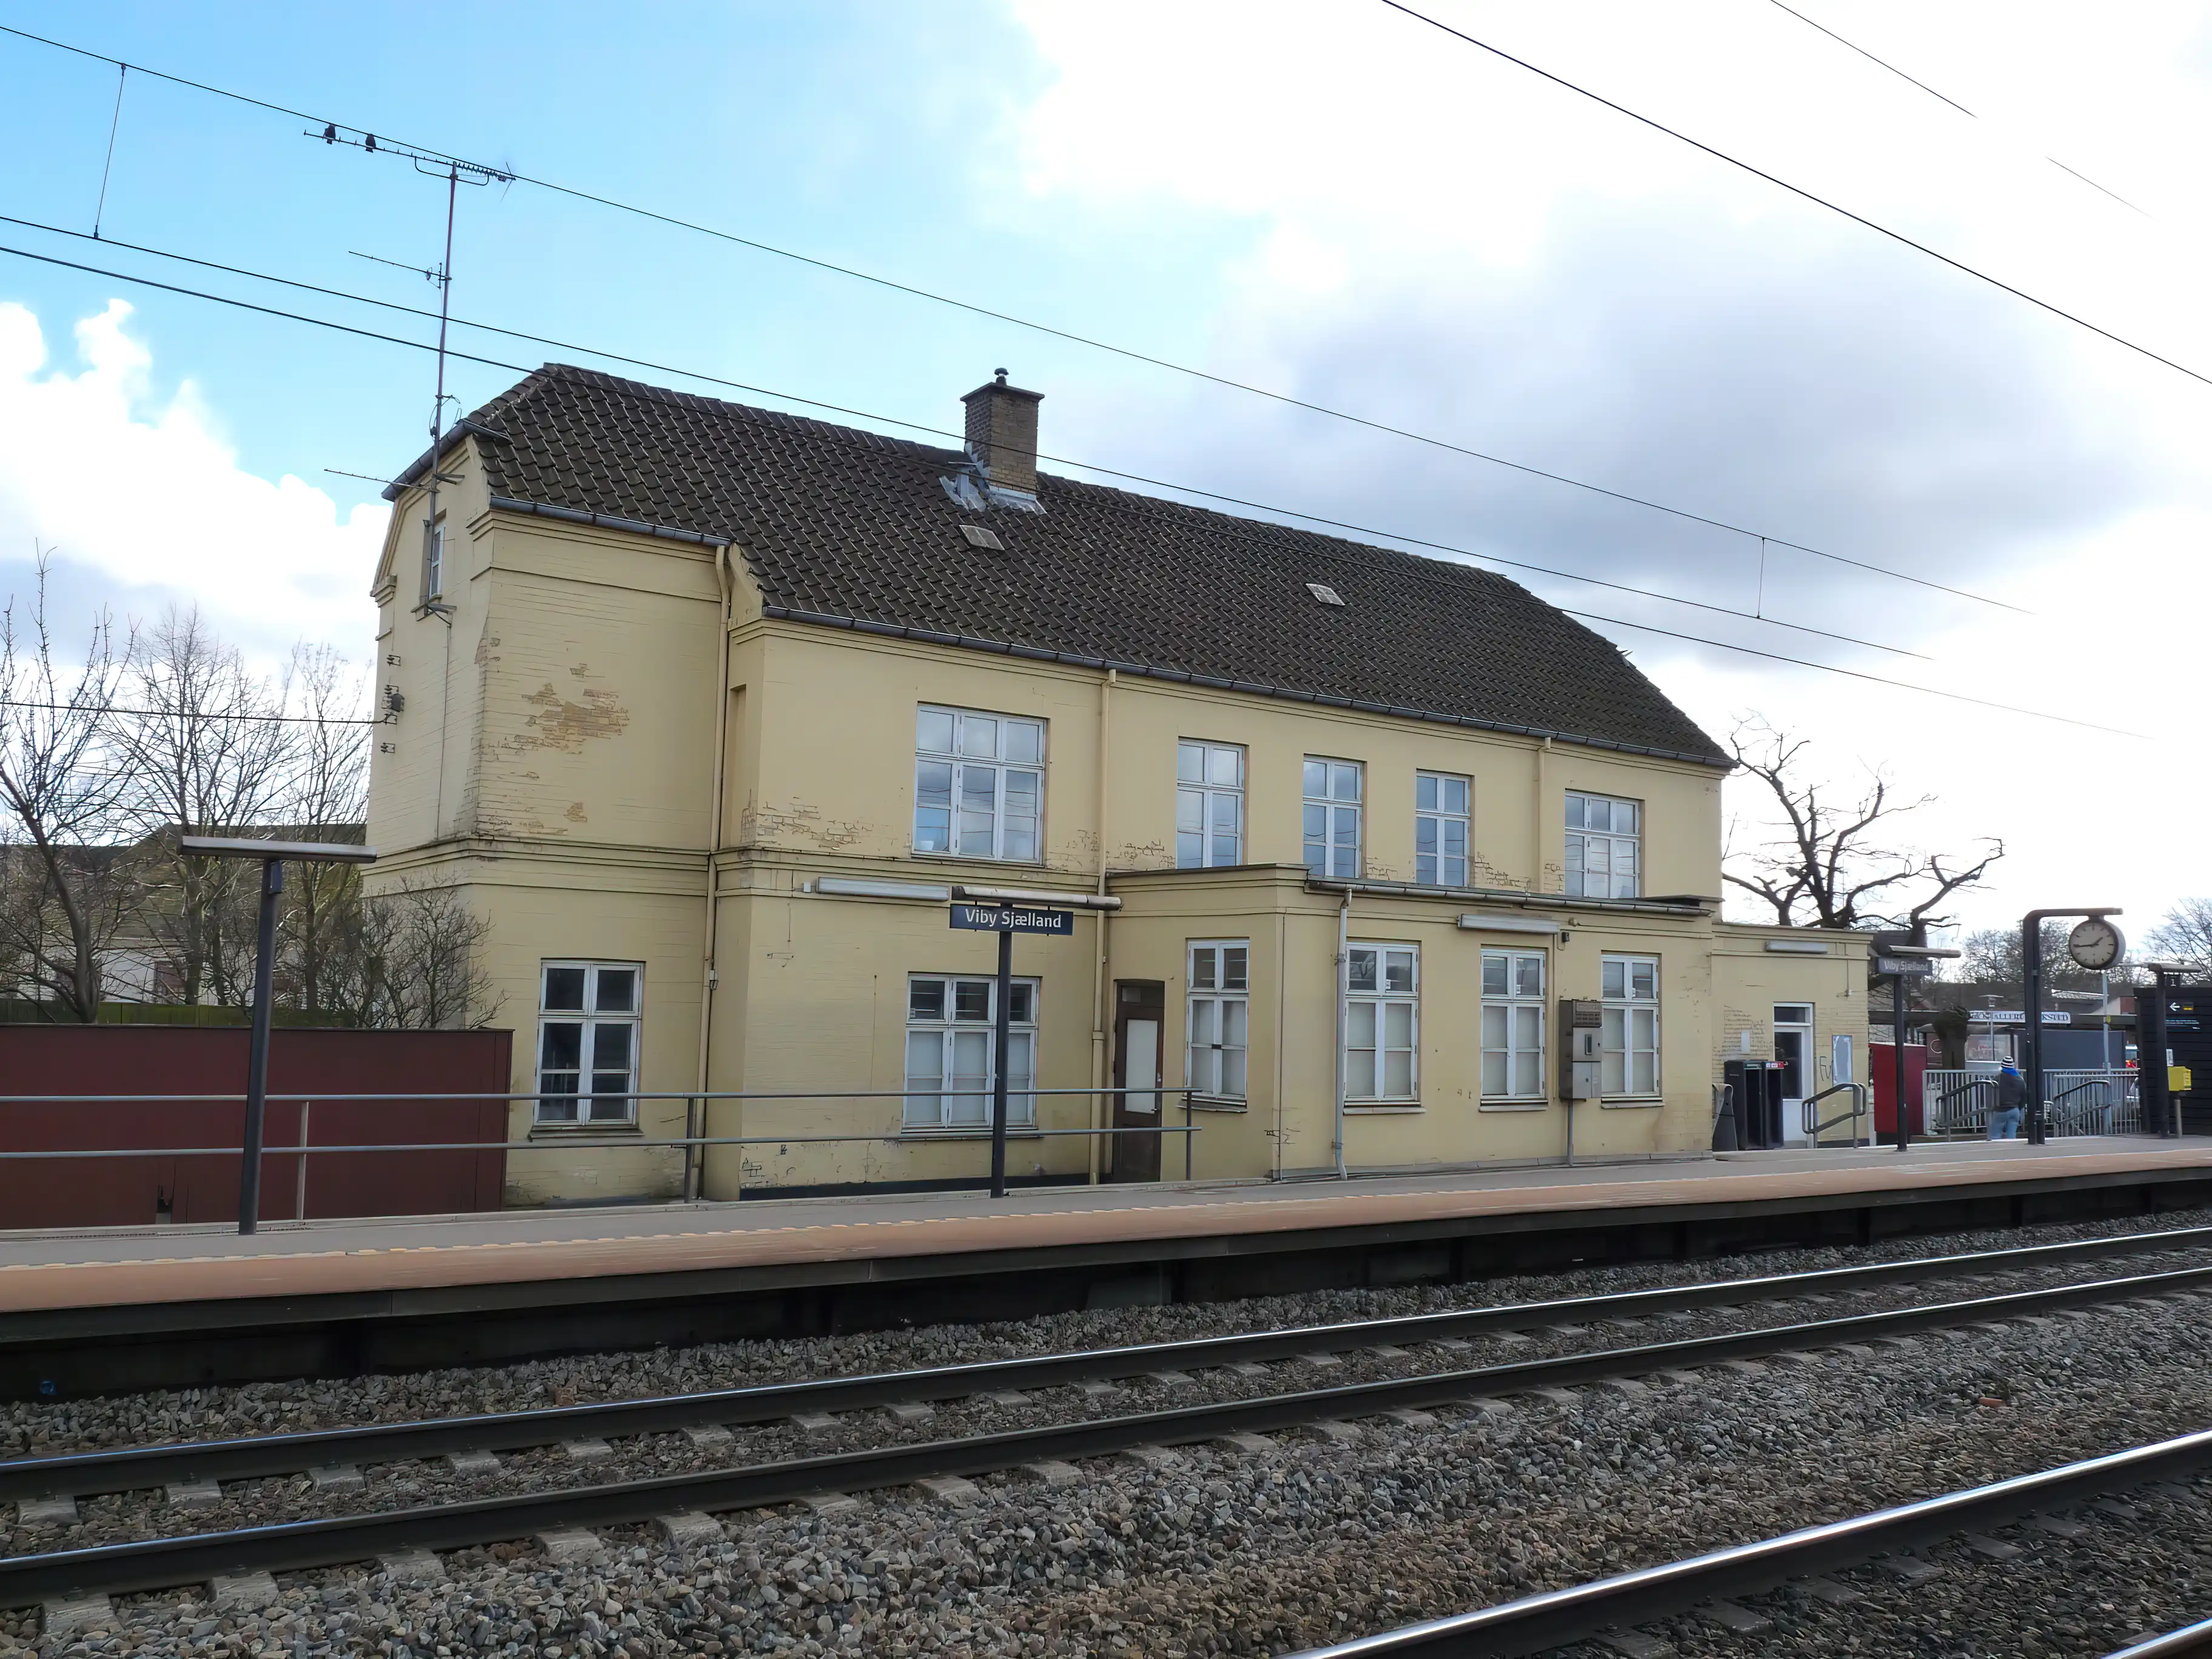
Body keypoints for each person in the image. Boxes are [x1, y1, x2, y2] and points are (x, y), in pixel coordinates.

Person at [1989, 1064, 2028, 1140]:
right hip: (2014, 1110)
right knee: (2011, 1137)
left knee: (1995, 1136)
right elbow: (2024, 1097)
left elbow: (1992, 1095)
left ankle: (1997, 1151)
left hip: (2000, 1110)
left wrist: (1993, 1107)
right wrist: (2018, 1108)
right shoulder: (2020, 1080)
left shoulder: (1997, 1079)